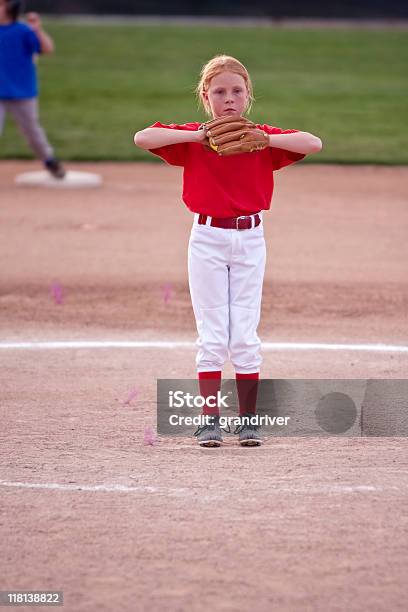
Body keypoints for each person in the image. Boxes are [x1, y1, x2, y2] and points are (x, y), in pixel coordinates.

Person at [134, 54, 322, 447]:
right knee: (213, 334)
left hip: (251, 239)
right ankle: (209, 420)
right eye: (219, 91)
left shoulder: (261, 137)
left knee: (245, 335)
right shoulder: (194, 139)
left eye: (237, 90)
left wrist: (266, 139)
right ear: (206, 96)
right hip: (207, 239)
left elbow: (313, 142)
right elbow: (143, 137)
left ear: (248, 94)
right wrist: (197, 136)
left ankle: (249, 421)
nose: (229, 98)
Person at [0, 0, 66, 178]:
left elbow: (47, 48)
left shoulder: (22, 31)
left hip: (23, 92)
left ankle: (49, 160)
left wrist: (36, 29)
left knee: (32, 132)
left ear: (11, 9)